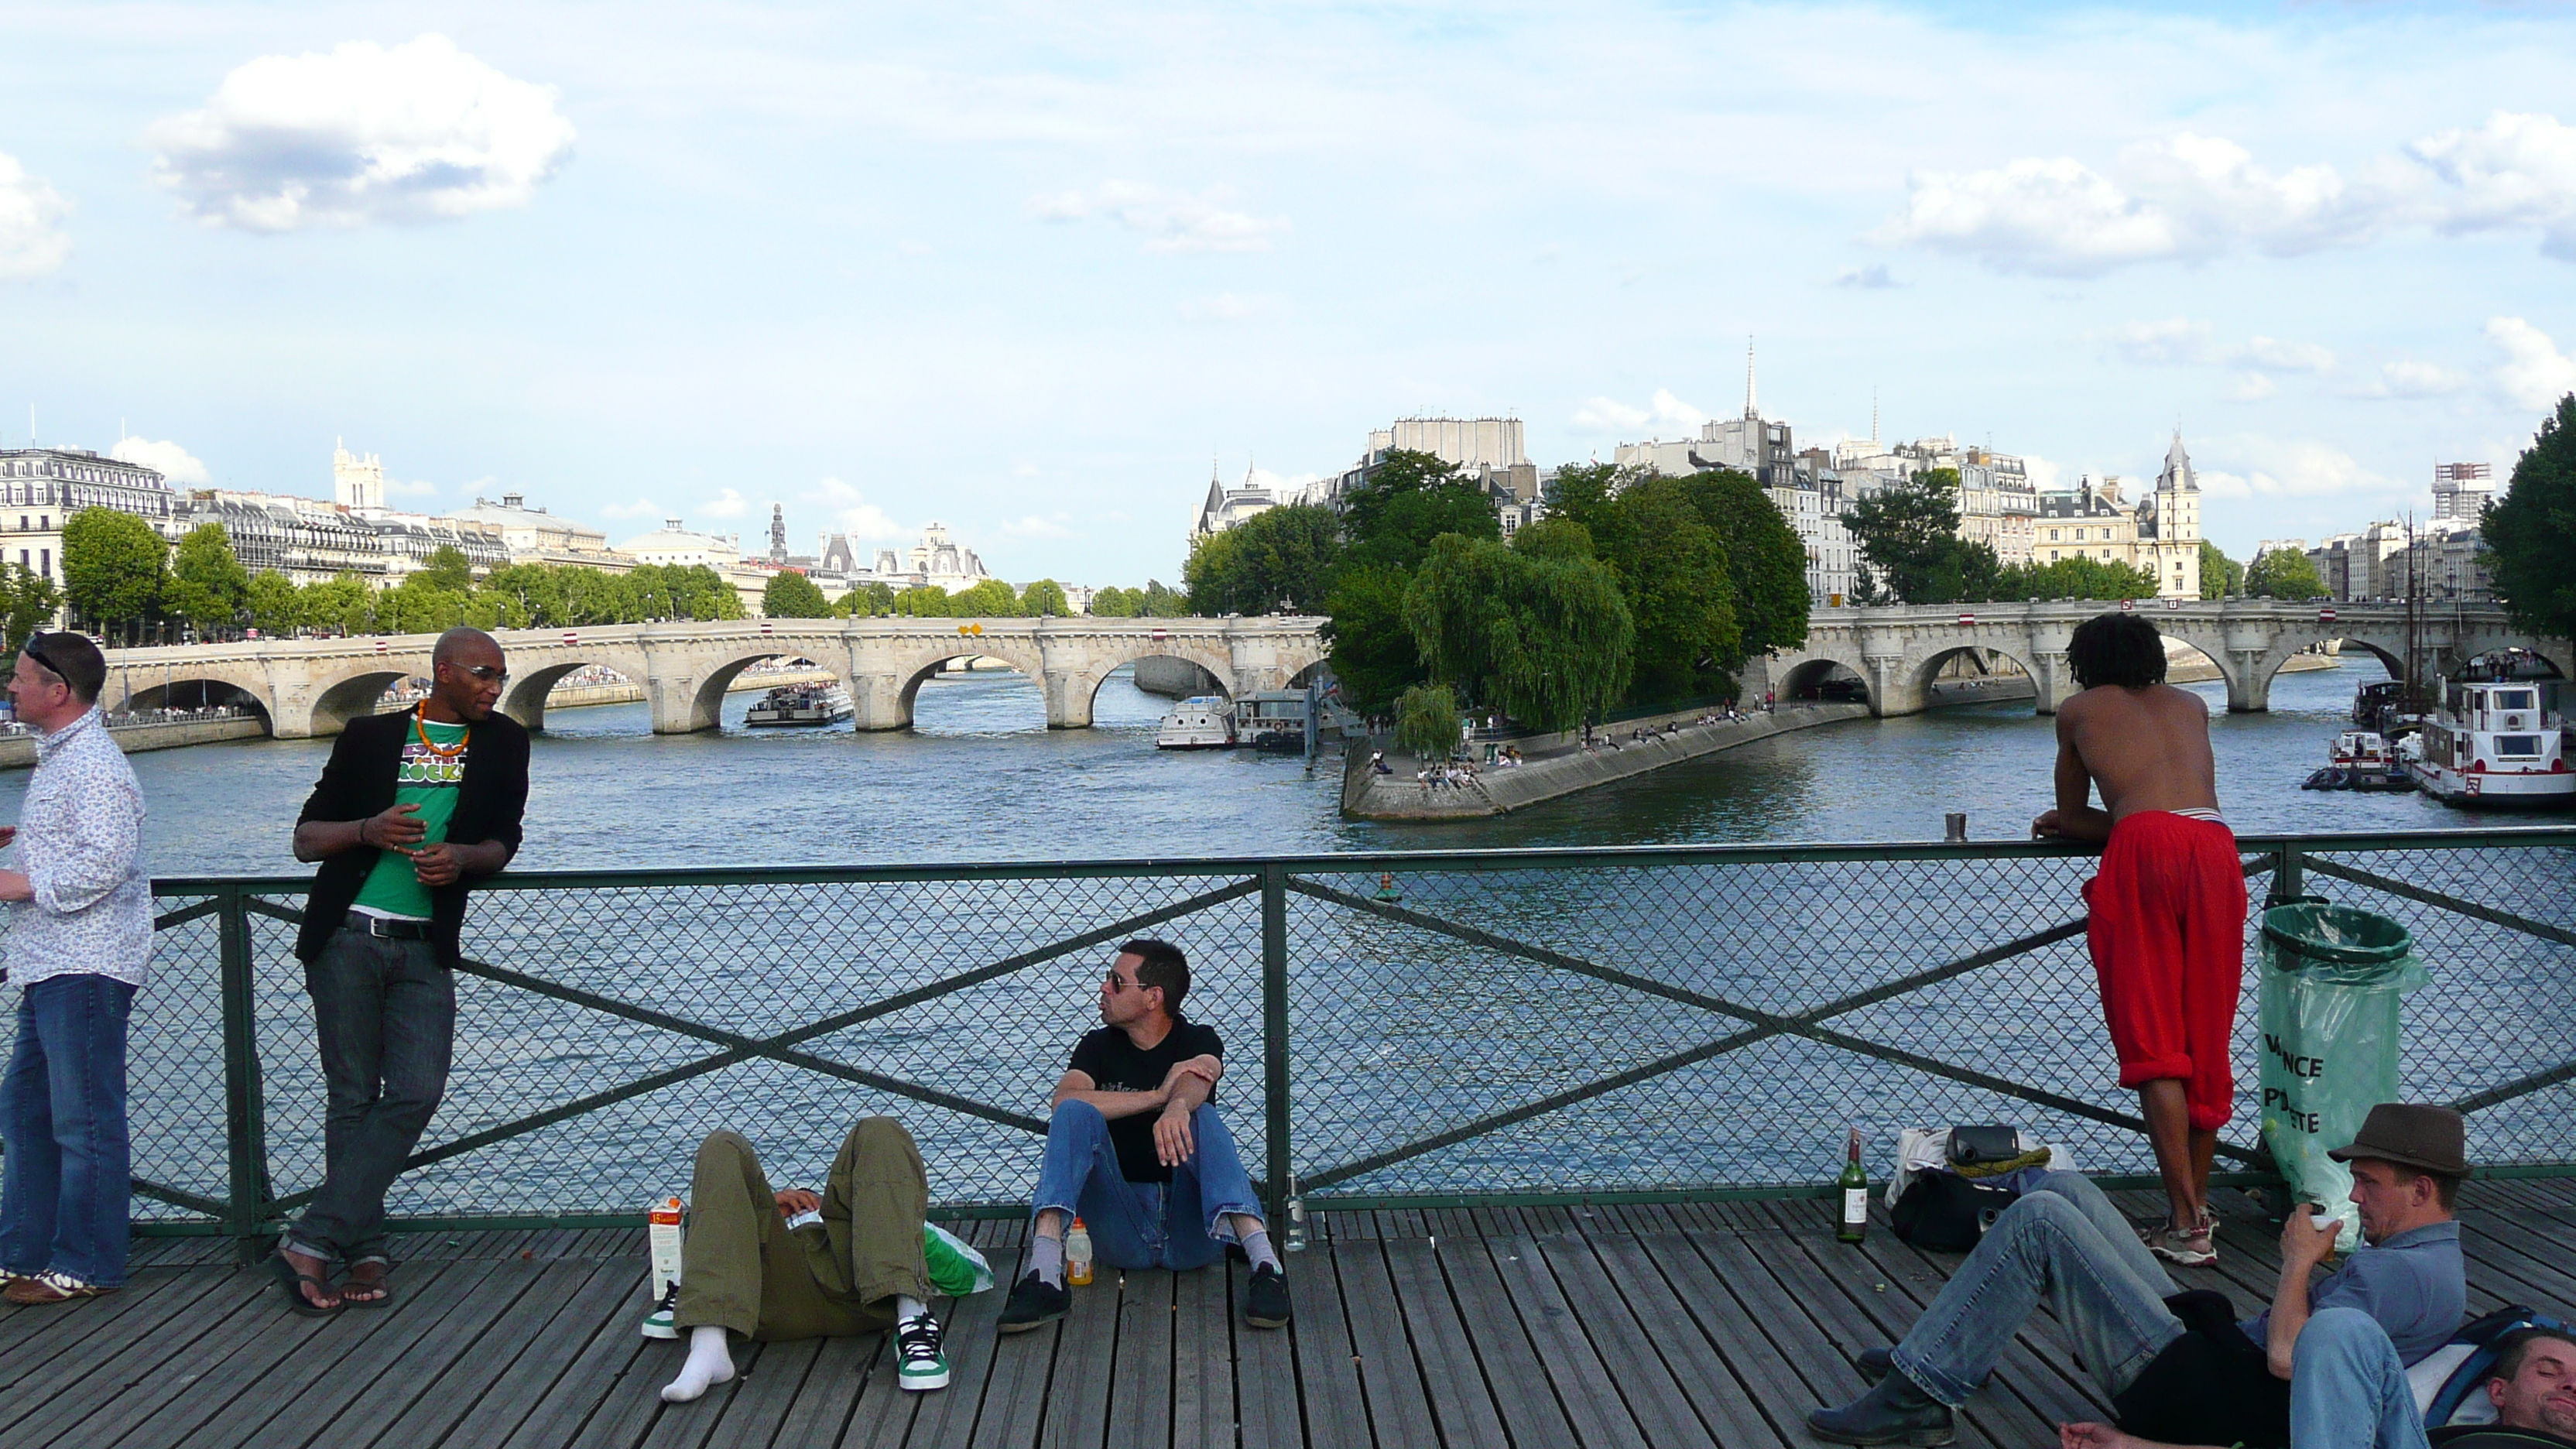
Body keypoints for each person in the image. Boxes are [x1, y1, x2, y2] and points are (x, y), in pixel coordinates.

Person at [1808, 1103, 2470, 1449]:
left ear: (2419, 1191)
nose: (2354, 1197)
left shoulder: (2405, 1278)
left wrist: (2297, 1260)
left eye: (2368, 1183)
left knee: (2039, 1217)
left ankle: (1918, 1397)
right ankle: (1948, 1351)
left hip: (2207, 1400)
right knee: (2063, 1189)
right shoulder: (2427, 1262)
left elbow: (2289, 1361)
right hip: (2215, 1361)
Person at [275, 628, 530, 1315]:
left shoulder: (506, 742)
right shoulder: (368, 736)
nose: (493, 687)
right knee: (352, 1097)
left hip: (424, 944)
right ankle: (363, 1248)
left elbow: (504, 839)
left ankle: (312, 1237)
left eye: (501, 677)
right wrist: (368, 830)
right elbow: (305, 840)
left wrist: (463, 861)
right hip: (347, 937)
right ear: (443, 670)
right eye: (482, 673)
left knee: (417, 1091)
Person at [2034, 611, 2245, 1266]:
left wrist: (2066, 824)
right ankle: (2197, 1211)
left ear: (2084, 661)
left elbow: (2075, 817)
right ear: (2154, 656)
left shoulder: (2077, 711)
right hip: (2216, 850)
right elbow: (2183, 803)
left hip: (2146, 850)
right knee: (2204, 1040)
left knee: (2156, 1045)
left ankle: (2185, 1225)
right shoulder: (2193, 703)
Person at [995, 938, 1290, 1334]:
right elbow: (1065, 1099)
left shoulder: (1196, 1039)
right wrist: (1155, 1097)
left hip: (1191, 1231)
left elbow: (1202, 1075)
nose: (1104, 988)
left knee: (1203, 1117)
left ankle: (1267, 1267)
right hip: (1121, 1228)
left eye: (1117, 981)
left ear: (1153, 997)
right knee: (1073, 1112)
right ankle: (1045, 1275)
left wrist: (1176, 1106)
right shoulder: (1097, 1046)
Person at [0, 633, 153, 1304]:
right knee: (28, 1110)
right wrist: (24, 846)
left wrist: (18, 883)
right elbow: (83, 846)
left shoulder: (91, 762)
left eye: (19, 677)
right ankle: (24, 1251)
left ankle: (88, 1262)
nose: (10, 687)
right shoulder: (64, 757)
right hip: (51, 960)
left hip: (86, 961)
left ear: (57, 692)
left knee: (83, 1118)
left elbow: (104, 861)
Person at [659, 1117, 949, 1403]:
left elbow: (961, 1266)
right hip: (766, 1295)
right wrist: (763, 1210)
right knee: (722, 1145)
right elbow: (719, 1242)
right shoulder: (772, 1223)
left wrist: (840, 1215)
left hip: (862, 1290)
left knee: (881, 1129)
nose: (804, 1202)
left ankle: (915, 1322)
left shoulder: (877, 1220)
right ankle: (708, 1347)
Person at [2056, 1320, 2576, 1449]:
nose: (2571, 1385)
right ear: (2498, 1393)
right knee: (2340, 1328)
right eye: (2550, 1371)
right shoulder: (2453, 1438)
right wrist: (2131, 1445)